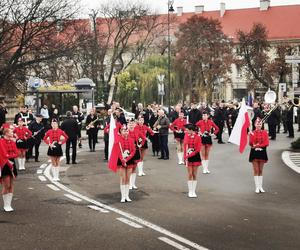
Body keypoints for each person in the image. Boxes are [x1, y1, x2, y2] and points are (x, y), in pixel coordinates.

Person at [0, 125, 19, 212]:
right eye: (11, 131)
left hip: (12, 162)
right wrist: (10, 157)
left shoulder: (12, 142)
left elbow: (17, 153)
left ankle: (9, 204)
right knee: (6, 185)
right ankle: (5, 205)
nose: (12, 132)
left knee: (11, 185)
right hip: (4, 163)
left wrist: (10, 156)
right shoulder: (1, 142)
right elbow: (4, 154)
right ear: (6, 133)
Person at [249, 118, 269, 193]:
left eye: (260, 124)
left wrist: (258, 146)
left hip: (262, 152)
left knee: (261, 170)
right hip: (254, 152)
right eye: (257, 124)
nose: (258, 125)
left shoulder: (265, 132)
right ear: (255, 125)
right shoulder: (252, 132)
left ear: (262, 125)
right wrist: (250, 136)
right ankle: (257, 187)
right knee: (256, 170)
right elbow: (251, 144)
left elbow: (266, 143)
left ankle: (261, 187)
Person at [117, 125, 136, 203]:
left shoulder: (131, 140)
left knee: (128, 178)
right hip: (121, 161)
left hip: (129, 160)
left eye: (127, 131)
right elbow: (118, 151)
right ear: (121, 131)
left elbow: (133, 151)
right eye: (124, 130)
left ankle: (127, 196)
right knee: (123, 178)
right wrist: (122, 160)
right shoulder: (118, 140)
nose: (126, 132)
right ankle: (123, 196)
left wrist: (127, 159)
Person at [183, 124, 202, 198]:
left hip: (195, 156)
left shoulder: (198, 137)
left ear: (191, 130)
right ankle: (190, 191)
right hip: (188, 156)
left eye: (187, 129)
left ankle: (193, 191)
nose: (186, 131)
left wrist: (188, 155)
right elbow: (185, 146)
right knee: (190, 174)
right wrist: (185, 157)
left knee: (194, 174)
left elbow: (198, 149)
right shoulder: (186, 136)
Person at [128, 119, 141, 190]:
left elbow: (141, 139)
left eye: (132, 123)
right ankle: (129, 184)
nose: (131, 125)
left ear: (135, 124)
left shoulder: (136, 131)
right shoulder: (126, 132)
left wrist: (140, 144)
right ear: (128, 124)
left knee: (134, 168)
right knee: (130, 167)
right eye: (130, 123)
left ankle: (133, 184)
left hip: (136, 151)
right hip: (130, 151)